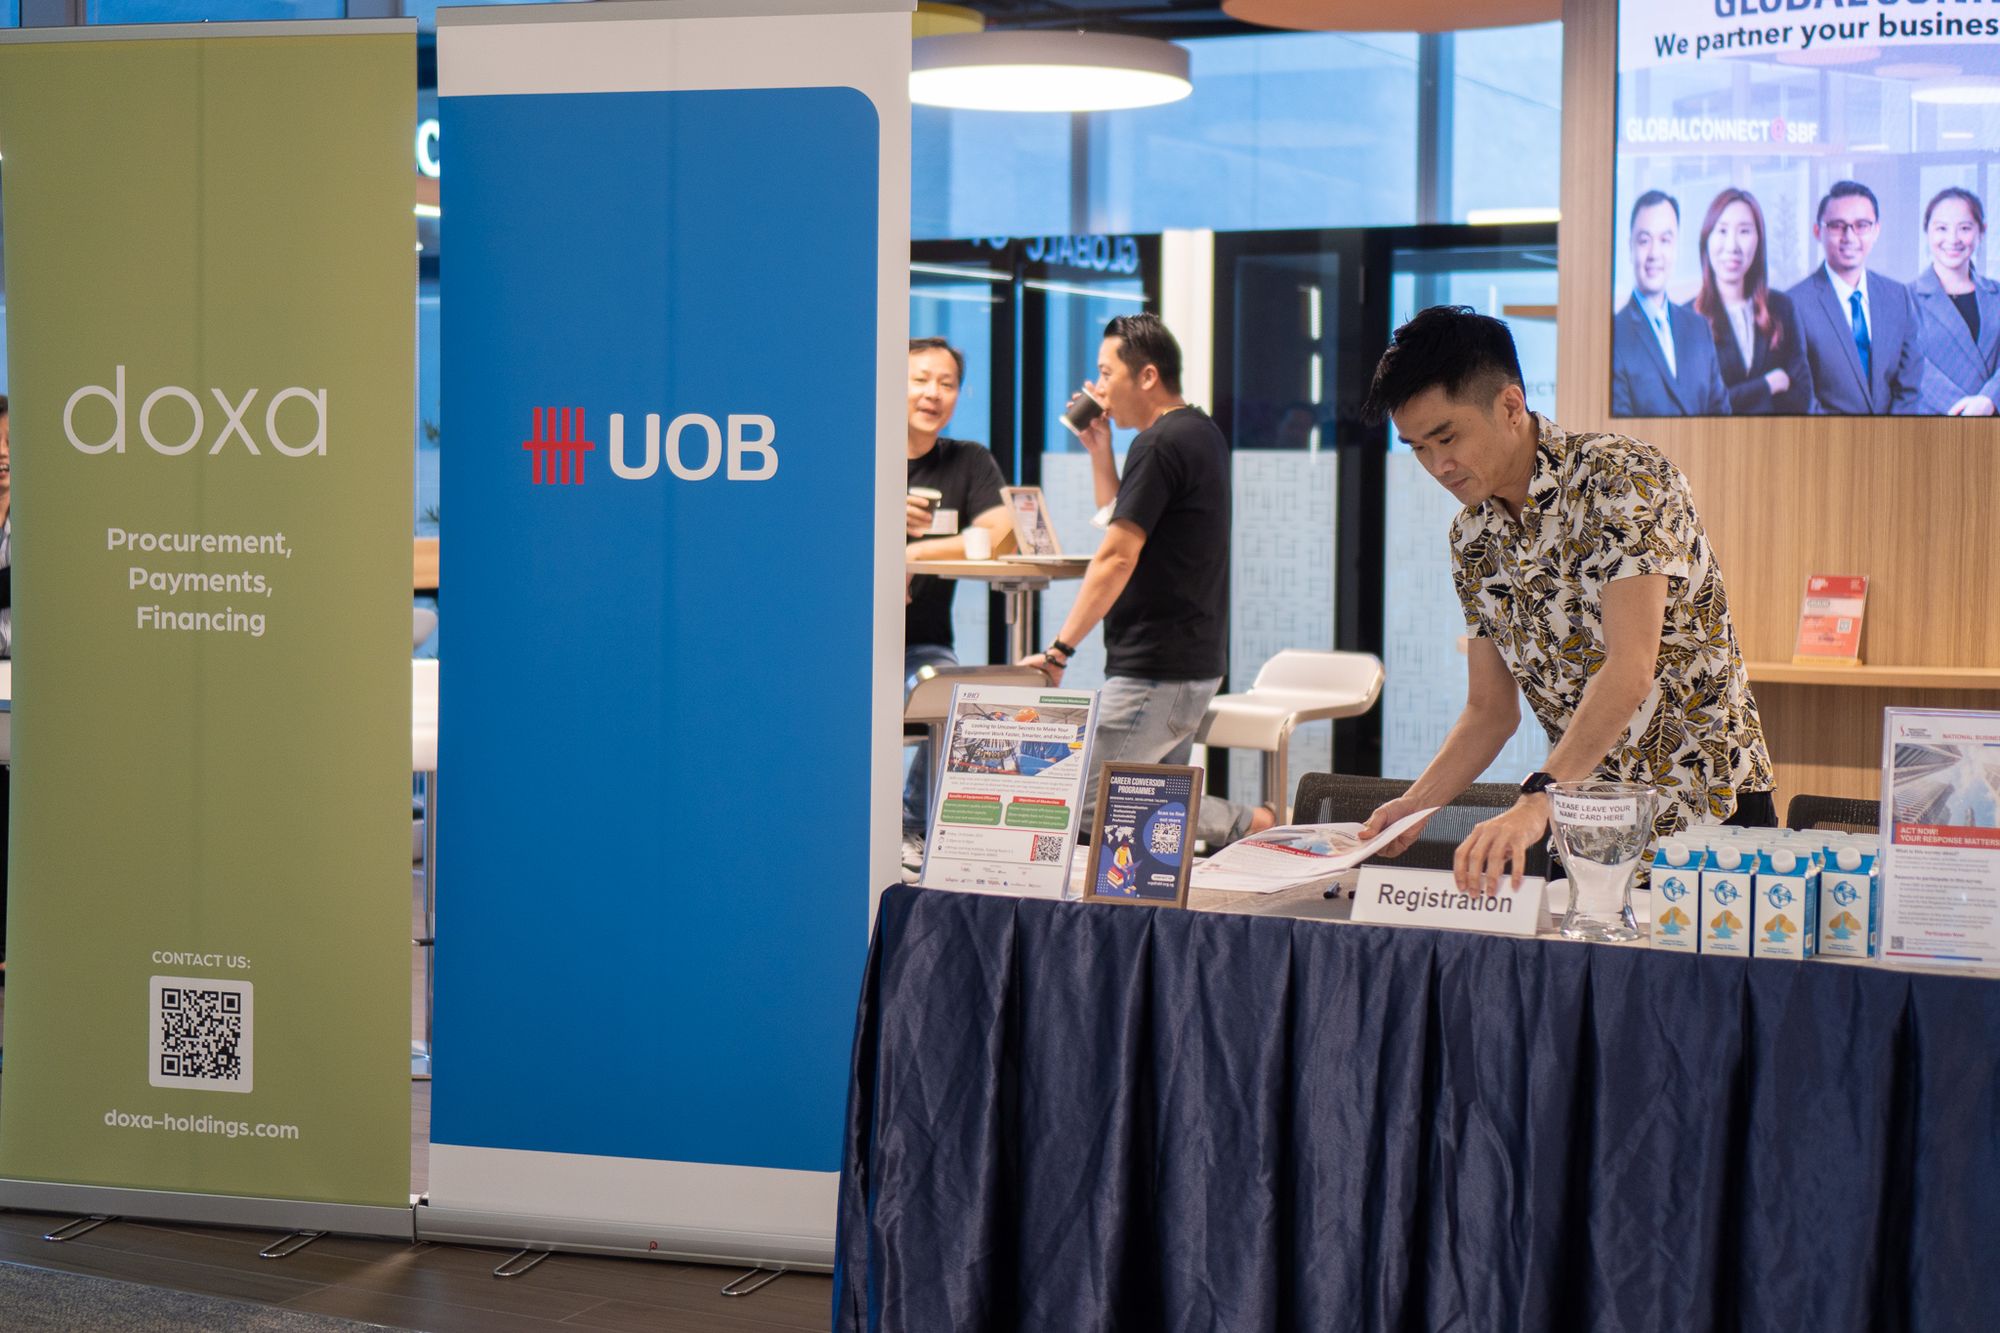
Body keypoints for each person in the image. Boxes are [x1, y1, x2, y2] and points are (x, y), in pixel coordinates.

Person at [1355, 308, 1776, 893]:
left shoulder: (1623, 479)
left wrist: (1536, 800)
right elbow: (1489, 712)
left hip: (1708, 810)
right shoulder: (1472, 539)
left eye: (1447, 438)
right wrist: (1415, 804)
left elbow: (1630, 668)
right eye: (1418, 448)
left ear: (1509, 405)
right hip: (1584, 821)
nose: (1437, 466)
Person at [1019, 313, 1271, 848]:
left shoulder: (1159, 444)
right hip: (1181, 659)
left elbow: (1116, 556)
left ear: (1148, 376)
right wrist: (1100, 450)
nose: (1100, 387)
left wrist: (1060, 649)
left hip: (1158, 666)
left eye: (1107, 373)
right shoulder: (1197, 431)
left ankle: (1252, 823)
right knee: (1144, 808)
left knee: (1091, 801)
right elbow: (1123, 515)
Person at [901, 339, 1013, 862]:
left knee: (953, 692)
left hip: (922, 646)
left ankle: (915, 826)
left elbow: (999, 532)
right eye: (921, 379)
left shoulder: (967, 460)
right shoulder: (861, 456)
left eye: (946, 384)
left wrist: (912, 551)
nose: (933, 393)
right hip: (847, 646)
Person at [1787, 180, 1922, 415]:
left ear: (1876, 231)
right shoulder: (1793, 305)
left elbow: (1908, 388)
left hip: (1892, 444)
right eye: (1837, 226)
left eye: (1861, 225)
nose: (1849, 236)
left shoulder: (1897, 297)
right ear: (1818, 232)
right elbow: (1802, 400)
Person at [1692, 188, 1814, 414]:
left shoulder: (1782, 308)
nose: (1732, 246)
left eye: (1745, 231)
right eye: (1722, 231)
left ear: (1759, 240)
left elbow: (1802, 398)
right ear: (1706, 239)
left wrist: (1735, 397)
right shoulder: (1687, 319)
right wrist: (1768, 385)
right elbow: (1700, 405)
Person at [1610, 190, 1732, 417]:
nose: (1654, 253)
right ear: (1630, 246)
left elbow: (1722, 414)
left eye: (1665, 240)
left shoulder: (1698, 328)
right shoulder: (1614, 333)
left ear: (1676, 246)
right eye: (1644, 240)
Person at [1909, 187, 2000, 417]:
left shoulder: (1997, 294)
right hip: (1933, 430)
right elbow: (1908, 367)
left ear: (1981, 231)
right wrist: (1967, 411)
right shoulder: (1902, 300)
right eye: (1941, 228)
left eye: (1965, 228)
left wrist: (1990, 399)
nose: (1953, 239)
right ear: (1927, 232)